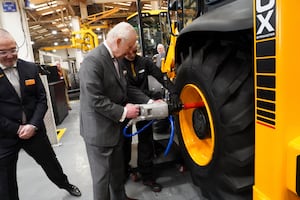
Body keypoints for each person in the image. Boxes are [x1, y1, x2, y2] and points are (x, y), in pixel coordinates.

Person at [0, 28, 81, 200]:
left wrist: (33, 125)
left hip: (34, 132)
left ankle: (65, 184)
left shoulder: (29, 68)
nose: (9, 55)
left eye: (13, 49)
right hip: (5, 137)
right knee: (5, 182)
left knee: (51, 164)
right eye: (3, 52)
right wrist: (16, 129)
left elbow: (42, 99)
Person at [79, 22, 151, 200]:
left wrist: (149, 101)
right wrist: (124, 112)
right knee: (102, 179)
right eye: (129, 46)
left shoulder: (116, 59)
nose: (130, 51)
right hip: (99, 131)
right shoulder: (93, 61)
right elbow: (95, 99)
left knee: (117, 173)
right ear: (118, 41)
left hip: (115, 128)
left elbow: (126, 89)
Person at [119, 43, 179, 193]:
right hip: (125, 107)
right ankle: (125, 171)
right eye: (128, 51)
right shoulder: (118, 65)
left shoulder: (144, 62)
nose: (131, 54)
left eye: (134, 51)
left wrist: (173, 92)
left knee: (145, 140)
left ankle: (147, 177)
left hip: (144, 106)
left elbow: (161, 76)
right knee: (124, 143)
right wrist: (150, 102)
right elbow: (127, 88)